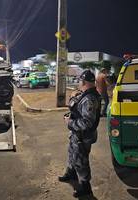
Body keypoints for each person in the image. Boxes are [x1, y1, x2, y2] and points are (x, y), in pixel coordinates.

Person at [59, 70, 101, 198]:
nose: (77, 83)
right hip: (77, 134)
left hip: (83, 135)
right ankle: (71, 173)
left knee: (81, 160)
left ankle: (85, 187)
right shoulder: (86, 94)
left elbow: (87, 123)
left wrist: (70, 122)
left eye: (79, 81)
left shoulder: (89, 99)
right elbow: (77, 109)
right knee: (73, 153)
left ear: (83, 82)